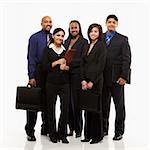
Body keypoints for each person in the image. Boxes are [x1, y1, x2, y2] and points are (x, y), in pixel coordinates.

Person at [102, 15, 131, 140]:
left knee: (119, 106)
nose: (111, 24)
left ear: (117, 24)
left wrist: (124, 76)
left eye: (114, 22)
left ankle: (119, 131)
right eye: (109, 22)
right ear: (106, 23)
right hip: (102, 78)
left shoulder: (123, 39)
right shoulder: (100, 37)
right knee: (103, 105)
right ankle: (103, 129)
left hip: (117, 78)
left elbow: (127, 59)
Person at [25, 16, 52, 141]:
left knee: (47, 101)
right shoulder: (34, 37)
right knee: (33, 102)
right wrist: (31, 76)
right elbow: (31, 57)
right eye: (46, 21)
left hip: (50, 73)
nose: (48, 23)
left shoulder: (53, 37)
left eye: (50, 22)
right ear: (41, 23)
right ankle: (30, 130)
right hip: (38, 71)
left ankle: (45, 127)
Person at [42, 28, 70, 144]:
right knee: (50, 108)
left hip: (64, 84)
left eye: (62, 36)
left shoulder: (66, 51)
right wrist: (57, 63)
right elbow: (44, 67)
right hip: (51, 83)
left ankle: (62, 134)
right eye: (58, 35)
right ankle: (52, 133)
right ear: (53, 36)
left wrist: (66, 67)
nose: (60, 37)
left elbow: (70, 67)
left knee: (65, 109)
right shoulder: (47, 50)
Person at [80, 23, 107, 144]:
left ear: (99, 33)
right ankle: (87, 134)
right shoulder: (86, 45)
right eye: (91, 31)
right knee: (87, 108)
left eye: (96, 31)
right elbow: (82, 63)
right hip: (86, 81)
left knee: (95, 109)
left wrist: (92, 81)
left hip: (96, 82)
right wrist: (83, 80)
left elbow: (101, 65)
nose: (93, 33)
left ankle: (97, 136)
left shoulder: (101, 46)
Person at [64, 20, 88, 138]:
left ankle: (78, 129)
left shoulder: (84, 42)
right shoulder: (66, 41)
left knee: (76, 103)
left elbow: (83, 59)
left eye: (76, 28)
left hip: (76, 75)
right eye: (72, 28)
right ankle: (71, 127)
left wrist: (69, 63)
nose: (74, 30)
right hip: (66, 75)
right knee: (67, 103)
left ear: (79, 28)